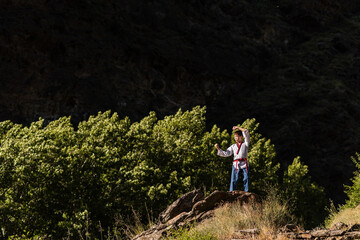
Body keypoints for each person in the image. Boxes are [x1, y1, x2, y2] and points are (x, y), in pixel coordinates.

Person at [214, 126, 250, 192]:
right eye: (235, 137)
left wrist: (238, 128)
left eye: (237, 137)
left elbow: (246, 132)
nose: (235, 138)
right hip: (236, 164)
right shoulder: (233, 146)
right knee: (234, 180)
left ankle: (246, 192)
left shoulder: (246, 144)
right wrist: (218, 148)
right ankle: (232, 193)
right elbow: (226, 153)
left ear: (241, 136)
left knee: (246, 178)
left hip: (244, 163)